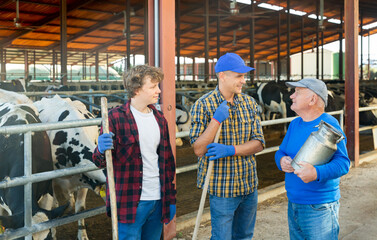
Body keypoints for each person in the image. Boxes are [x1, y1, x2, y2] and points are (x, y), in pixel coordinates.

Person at [92, 65, 176, 240]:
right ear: (137, 89)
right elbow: (100, 162)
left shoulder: (160, 119)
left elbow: (167, 162)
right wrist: (100, 149)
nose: (159, 90)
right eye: (153, 86)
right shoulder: (114, 118)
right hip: (130, 202)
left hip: (158, 198)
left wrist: (171, 196)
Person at [189, 53, 265, 240]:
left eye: (244, 76)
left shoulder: (249, 103)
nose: (243, 81)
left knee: (245, 235)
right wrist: (215, 120)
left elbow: (259, 143)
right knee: (222, 237)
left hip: (249, 184)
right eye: (239, 76)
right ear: (222, 75)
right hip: (223, 187)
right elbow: (199, 150)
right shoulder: (203, 105)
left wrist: (231, 150)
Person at [275, 78, 350, 240]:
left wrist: (316, 172)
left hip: (319, 206)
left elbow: (343, 163)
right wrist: (281, 161)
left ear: (312, 99)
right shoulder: (295, 124)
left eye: (297, 92)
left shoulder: (329, 125)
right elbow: (280, 151)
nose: (291, 96)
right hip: (294, 202)